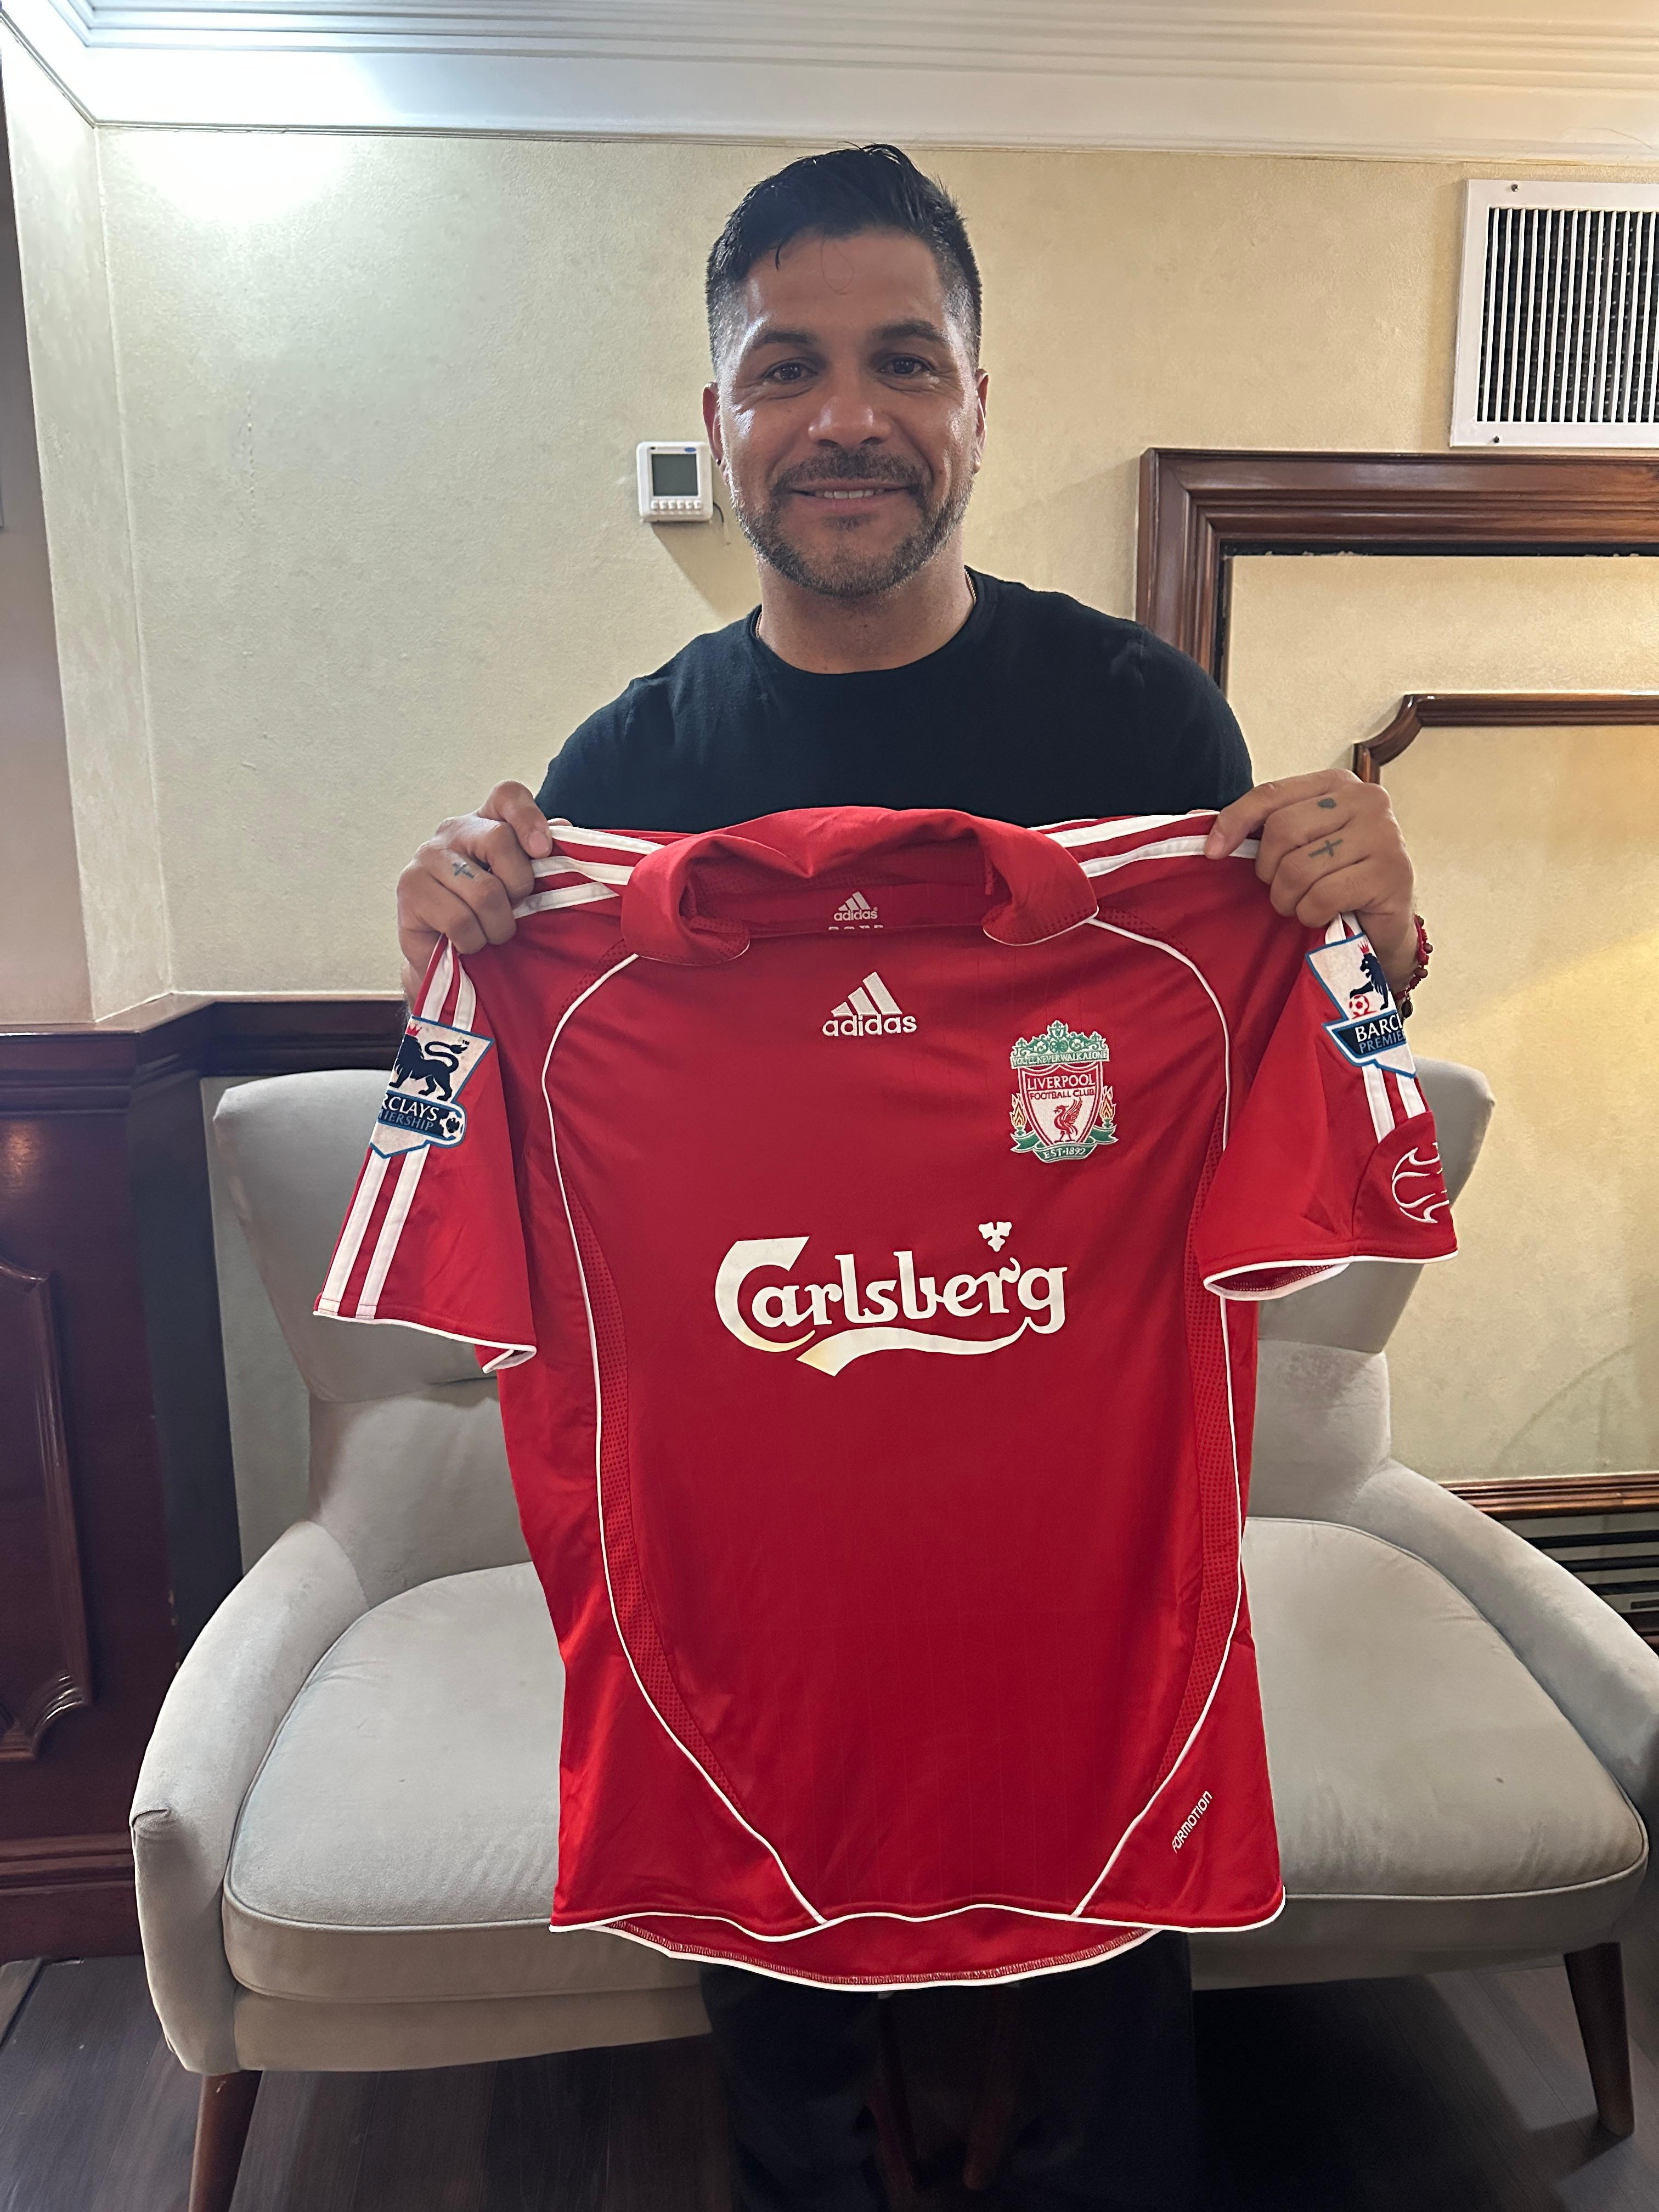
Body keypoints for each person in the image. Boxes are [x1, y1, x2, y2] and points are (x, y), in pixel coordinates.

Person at [394, 145, 1424, 2212]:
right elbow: (513, 1162)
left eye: (903, 362)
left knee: (1109, 2078)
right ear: (720, 419)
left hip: (1080, 1566)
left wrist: (1377, 937)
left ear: (977, 402)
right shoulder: (619, 781)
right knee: (786, 2074)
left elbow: (1306, 1065)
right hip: (757, 1581)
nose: (846, 417)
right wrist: (439, 978)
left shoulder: (1141, 717)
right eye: (787, 368)